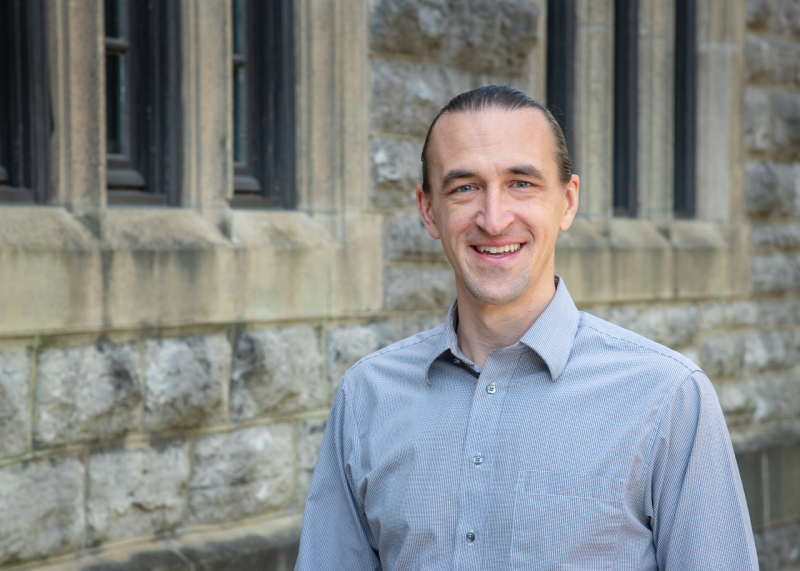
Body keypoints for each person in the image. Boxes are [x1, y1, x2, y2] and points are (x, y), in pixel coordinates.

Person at [295, 85, 758, 570]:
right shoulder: (367, 396)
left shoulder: (667, 399)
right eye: (464, 187)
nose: (494, 220)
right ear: (428, 209)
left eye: (522, 183)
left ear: (568, 201)